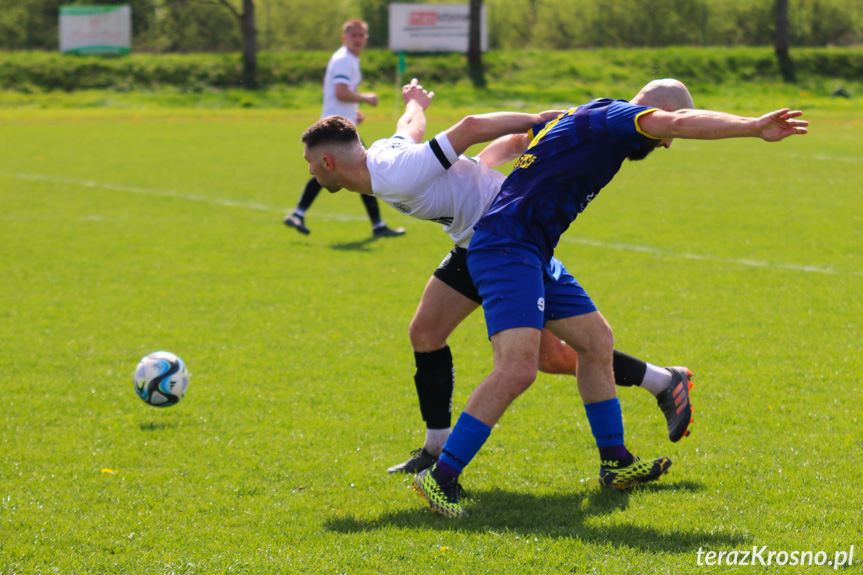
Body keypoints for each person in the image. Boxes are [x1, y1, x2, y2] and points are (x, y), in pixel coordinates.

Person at [413, 79, 808, 518]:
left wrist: (486, 163)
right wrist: (753, 126)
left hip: (531, 250)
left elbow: (521, 143)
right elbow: (676, 120)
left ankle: (615, 461)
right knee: (517, 369)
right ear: (650, 115)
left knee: (596, 341)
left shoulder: (583, 116)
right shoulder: (616, 117)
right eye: (665, 136)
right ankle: (441, 475)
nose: (667, 144)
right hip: (507, 248)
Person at [300, 79, 696, 478]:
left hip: (504, 240)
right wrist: (415, 101)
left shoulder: (395, 174)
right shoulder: (383, 155)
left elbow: (470, 126)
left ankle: (661, 383)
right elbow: (409, 126)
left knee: (545, 357)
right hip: (474, 242)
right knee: (430, 333)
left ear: (328, 163)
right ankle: (437, 446)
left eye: (309, 163)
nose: (309, 170)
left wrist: (538, 120)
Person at [284, 19, 405, 239]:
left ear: (366, 39)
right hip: (334, 129)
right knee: (363, 169)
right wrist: (365, 98)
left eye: (362, 36)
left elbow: (340, 95)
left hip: (337, 126)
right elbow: (340, 92)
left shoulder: (347, 59)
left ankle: (299, 213)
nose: (358, 39)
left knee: (339, 170)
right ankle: (377, 225)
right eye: (354, 35)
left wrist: (352, 112)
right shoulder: (344, 60)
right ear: (344, 37)